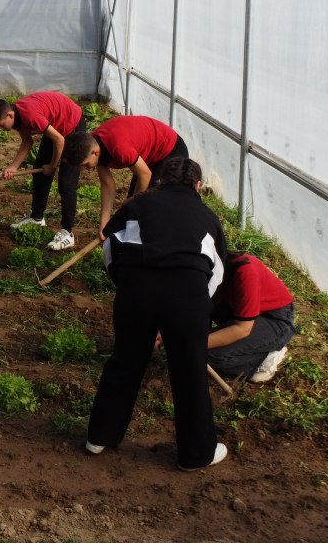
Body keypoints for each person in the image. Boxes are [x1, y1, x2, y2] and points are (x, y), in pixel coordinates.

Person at [85, 157, 229, 471]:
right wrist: (199, 309)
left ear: (160, 181)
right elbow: (217, 274)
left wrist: (126, 285)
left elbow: (110, 249)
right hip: (187, 296)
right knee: (189, 370)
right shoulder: (207, 217)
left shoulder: (137, 206)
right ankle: (195, 455)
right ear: (198, 186)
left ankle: (100, 437)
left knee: (125, 360)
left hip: (137, 290)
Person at [0, 92, 86, 251]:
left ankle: (68, 232)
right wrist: (13, 167)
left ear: (10, 115)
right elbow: (27, 141)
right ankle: (37, 217)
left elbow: (60, 140)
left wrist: (52, 166)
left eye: (0, 124)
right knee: (39, 171)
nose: (0, 129)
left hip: (72, 125)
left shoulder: (29, 115)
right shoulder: (18, 117)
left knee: (66, 183)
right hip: (55, 125)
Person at [61, 115, 188, 240]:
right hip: (150, 158)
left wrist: (134, 202)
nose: (84, 170)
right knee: (132, 210)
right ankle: (132, 244)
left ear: (95, 152)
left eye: (85, 164)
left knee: (152, 204)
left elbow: (145, 175)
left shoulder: (119, 148)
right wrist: (104, 224)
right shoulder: (91, 143)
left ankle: (167, 241)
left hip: (170, 150)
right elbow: (107, 185)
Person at [206, 252, 295, 382]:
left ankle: (264, 359)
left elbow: (242, 329)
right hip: (241, 312)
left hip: (275, 319)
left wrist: (195, 344)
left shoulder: (245, 272)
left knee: (207, 355)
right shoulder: (215, 270)